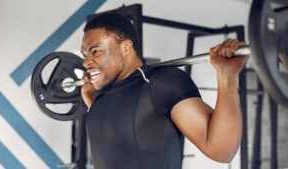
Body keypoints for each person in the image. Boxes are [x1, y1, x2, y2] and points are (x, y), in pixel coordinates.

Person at [80, 13, 248, 169]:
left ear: (126, 48)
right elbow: (114, 127)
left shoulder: (161, 83)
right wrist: (88, 95)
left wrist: (227, 76)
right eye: (85, 54)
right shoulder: (102, 98)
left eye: (95, 51)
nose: (86, 62)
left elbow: (221, 150)